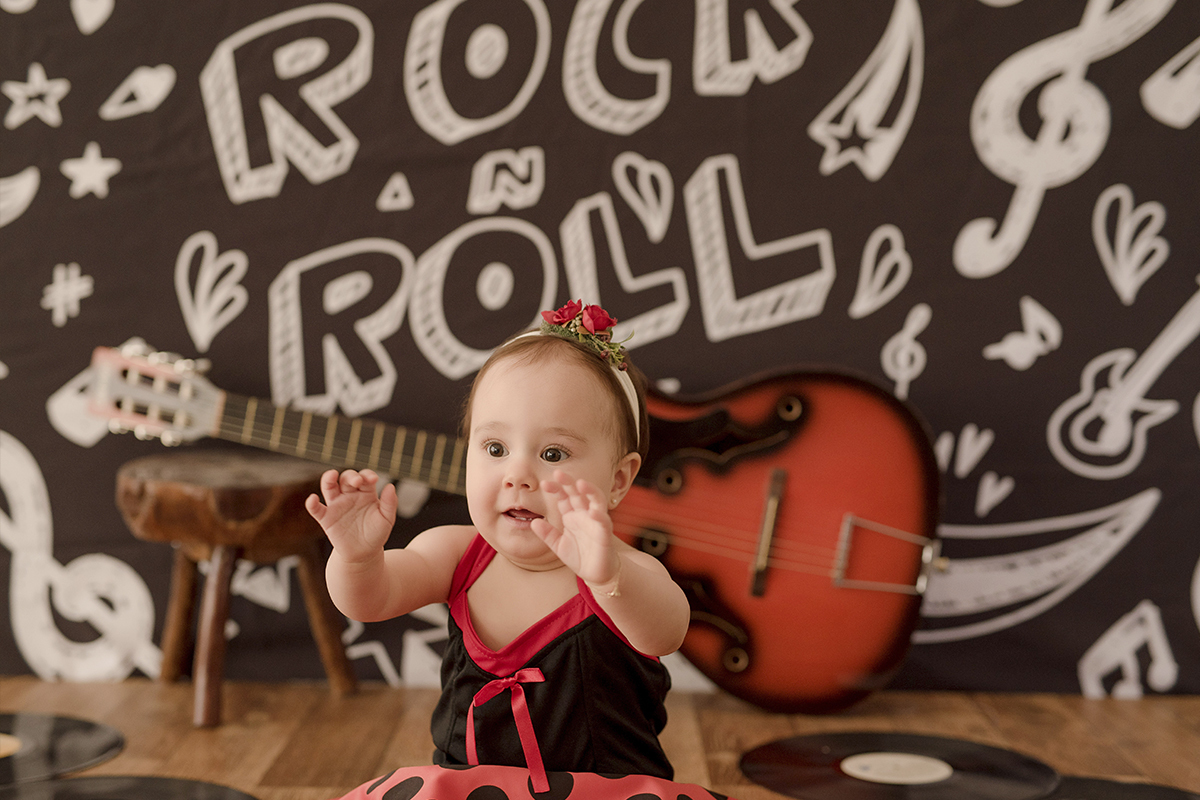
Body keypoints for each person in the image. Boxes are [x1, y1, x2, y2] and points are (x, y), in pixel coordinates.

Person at [306, 302, 727, 800]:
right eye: (494, 448)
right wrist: (356, 558)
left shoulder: (626, 571)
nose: (518, 475)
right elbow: (369, 601)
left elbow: (667, 631)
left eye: (552, 454)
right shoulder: (455, 553)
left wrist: (607, 576)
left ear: (617, 480)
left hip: (603, 792)